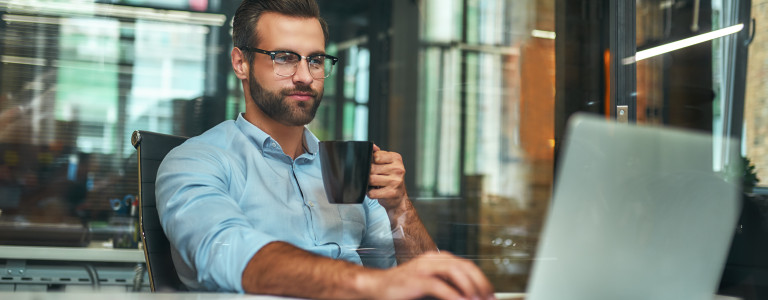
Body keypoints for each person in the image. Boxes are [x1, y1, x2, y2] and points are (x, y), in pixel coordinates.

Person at [156, 0, 495, 299]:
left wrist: (399, 207)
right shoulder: (195, 162)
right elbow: (228, 254)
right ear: (241, 63)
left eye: (315, 60)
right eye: (284, 58)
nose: (305, 76)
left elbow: (419, 279)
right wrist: (373, 286)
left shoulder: (344, 168)